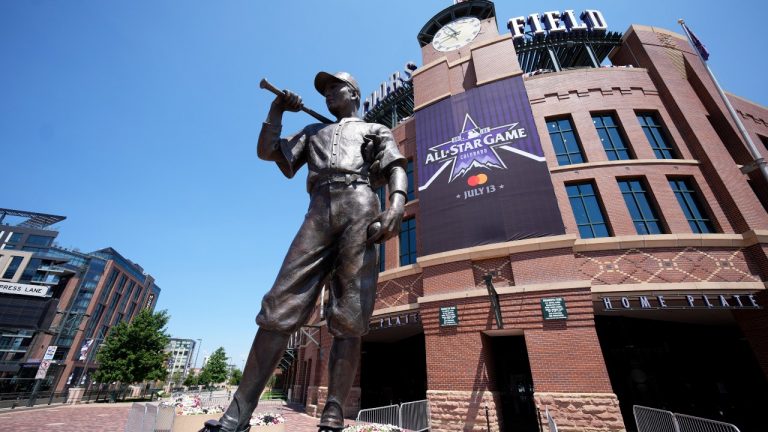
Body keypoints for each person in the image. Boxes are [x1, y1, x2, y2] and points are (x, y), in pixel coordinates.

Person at [202, 71, 407, 432]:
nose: (328, 95)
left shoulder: (375, 129)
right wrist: (277, 109)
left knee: (350, 314)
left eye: (334, 88)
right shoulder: (314, 133)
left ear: (353, 92)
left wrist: (395, 206)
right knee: (279, 305)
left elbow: (395, 167)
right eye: (324, 91)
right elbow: (268, 152)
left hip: (360, 205)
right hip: (318, 210)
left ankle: (333, 414)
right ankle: (237, 415)